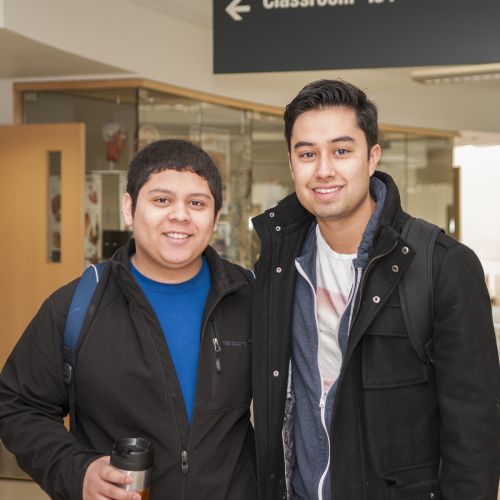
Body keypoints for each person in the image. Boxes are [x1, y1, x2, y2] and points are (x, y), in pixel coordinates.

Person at [251, 79, 500, 500]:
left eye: (342, 151)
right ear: (292, 165)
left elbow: (474, 436)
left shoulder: (441, 265)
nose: (324, 169)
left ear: (372, 158)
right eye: (307, 153)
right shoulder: (278, 265)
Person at [0, 139, 257, 500]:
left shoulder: (251, 298)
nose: (180, 215)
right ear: (129, 207)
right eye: (162, 200)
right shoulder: (77, 306)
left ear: (215, 218)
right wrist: (79, 472)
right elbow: (18, 406)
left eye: (197, 203)